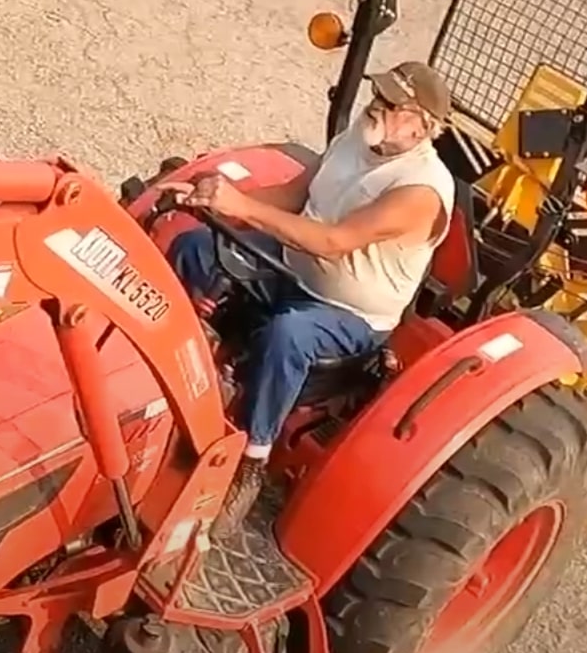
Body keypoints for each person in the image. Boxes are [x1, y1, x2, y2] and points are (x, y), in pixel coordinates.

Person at [158, 61, 458, 533]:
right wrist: (216, 199)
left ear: (422, 126)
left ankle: (251, 462)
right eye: (377, 96)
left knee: (288, 334)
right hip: (290, 267)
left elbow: (333, 241)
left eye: (390, 104)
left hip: (347, 313)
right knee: (195, 247)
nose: (375, 106)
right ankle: (164, 372)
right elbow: (295, 193)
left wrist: (242, 208)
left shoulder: (421, 192)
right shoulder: (355, 140)